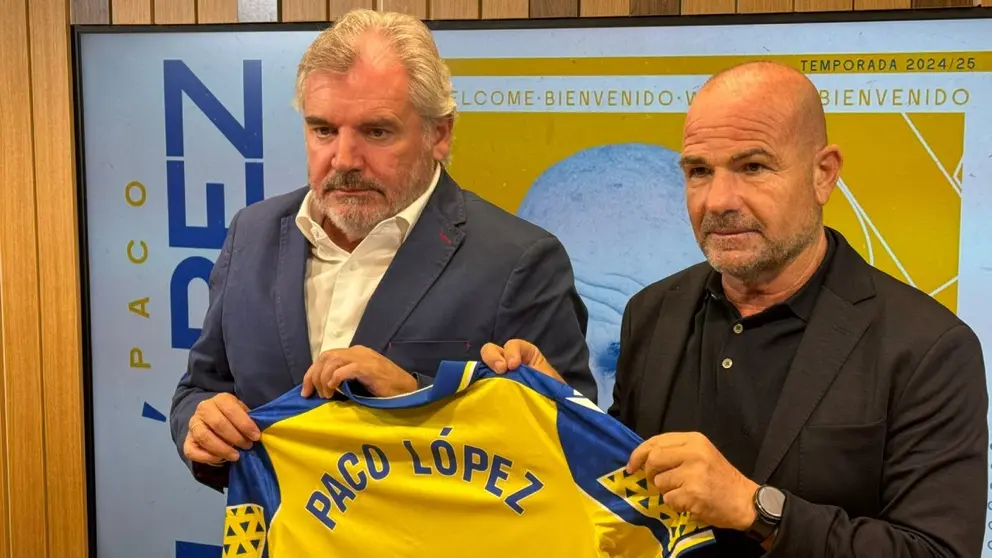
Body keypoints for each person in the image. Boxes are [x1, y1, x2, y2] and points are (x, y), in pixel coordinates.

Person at [482, 61, 988, 557]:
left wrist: (756, 509)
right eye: (699, 171)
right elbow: (629, 489)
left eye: (753, 167)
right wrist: (559, 411)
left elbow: (938, 550)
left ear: (823, 174)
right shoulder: (653, 312)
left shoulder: (927, 348)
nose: (719, 199)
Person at [169, 9, 595, 490]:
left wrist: (417, 398)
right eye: (323, 130)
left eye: (376, 132)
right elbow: (200, 387)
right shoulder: (252, 234)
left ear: (440, 133)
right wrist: (199, 423)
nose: (345, 159)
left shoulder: (520, 261)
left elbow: (574, 447)